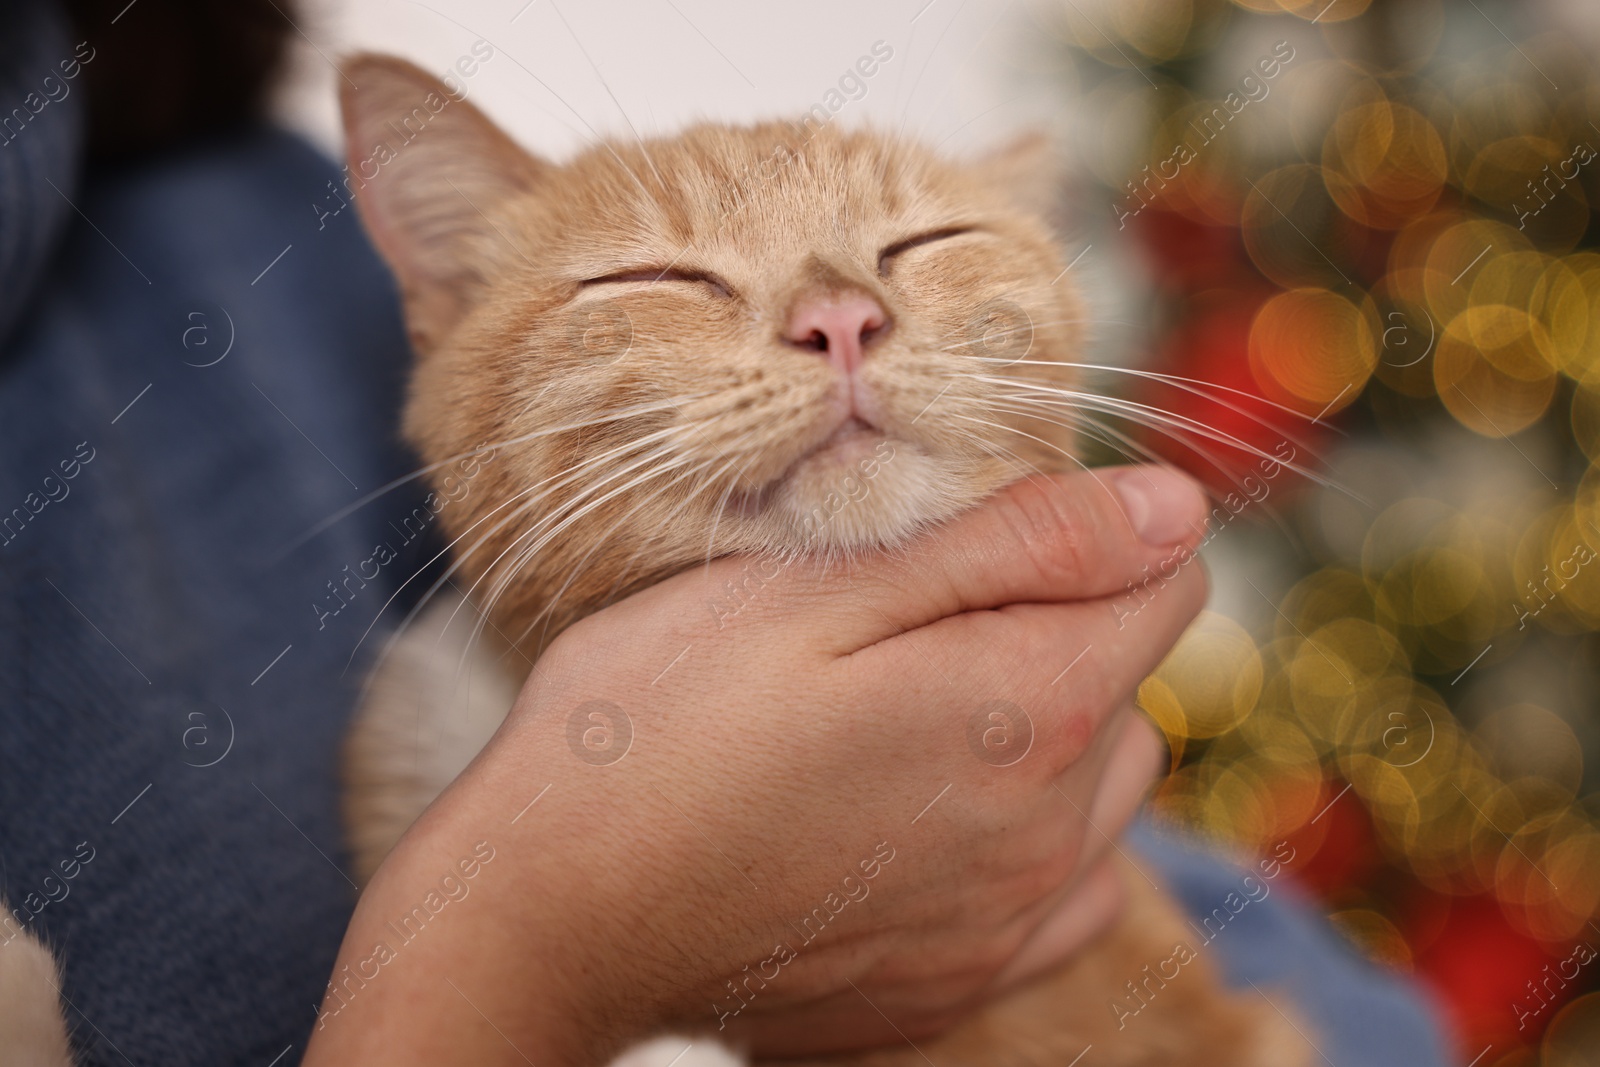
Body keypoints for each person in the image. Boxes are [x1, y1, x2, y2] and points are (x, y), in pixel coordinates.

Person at [0, 2, 1448, 1065]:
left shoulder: (247, 216)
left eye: (926, 251)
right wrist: (535, 954)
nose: (838, 315)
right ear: (438, 297)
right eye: (663, 278)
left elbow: (1287, 1003)